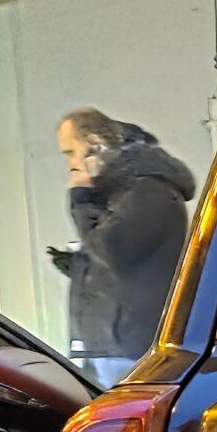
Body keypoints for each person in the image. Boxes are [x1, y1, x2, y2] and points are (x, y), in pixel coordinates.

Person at [51, 109, 196, 385]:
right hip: (109, 345)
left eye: (71, 152)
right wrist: (79, 265)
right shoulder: (119, 194)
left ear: (94, 146)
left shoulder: (148, 192)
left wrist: (80, 200)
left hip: (128, 347)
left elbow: (112, 250)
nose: (70, 163)